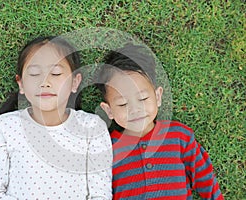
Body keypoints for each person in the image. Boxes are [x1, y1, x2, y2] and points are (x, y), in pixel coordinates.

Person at [0, 36, 112, 199]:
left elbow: (100, 194)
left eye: (56, 73)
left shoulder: (92, 127)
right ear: (21, 83)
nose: (45, 82)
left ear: (75, 82)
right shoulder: (6, 127)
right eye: (34, 73)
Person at [95, 44, 224, 199]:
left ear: (157, 96)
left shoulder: (179, 136)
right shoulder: (105, 147)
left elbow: (204, 176)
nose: (135, 109)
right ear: (109, 110)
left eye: (142, 99)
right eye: (123, 104)